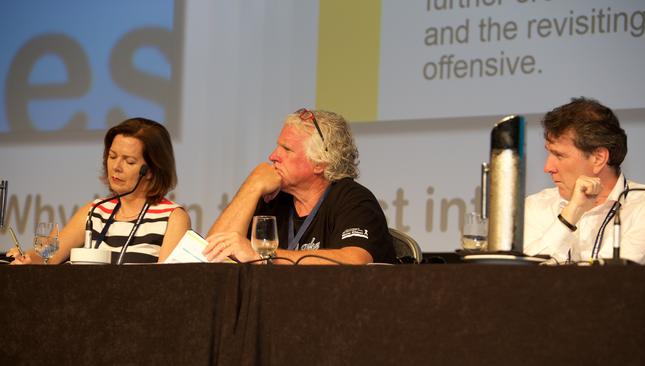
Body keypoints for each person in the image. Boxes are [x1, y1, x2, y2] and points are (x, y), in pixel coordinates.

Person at [203, 108, 395, 264]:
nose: (273, 156)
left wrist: (264, 256)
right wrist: (252, 185)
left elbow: (354, 260)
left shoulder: (353, 200)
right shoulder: (273, 199)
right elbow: (211, 255)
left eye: (286, 149)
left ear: (319, 163)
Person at [9, 118, 191, 264]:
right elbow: (48, 256)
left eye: (129, 161)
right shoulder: (95, 211)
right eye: (112, 156)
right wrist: (27, 258)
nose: (116, 167)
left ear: (151, 170)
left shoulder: (172, 218)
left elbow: (168, 284)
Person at [523, 97, 645, 264]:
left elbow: (615, 280)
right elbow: (523, 276)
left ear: (598, 158)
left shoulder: (644, 208)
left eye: (559, 155)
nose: (547, 167)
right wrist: (571, 212)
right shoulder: (536, 206)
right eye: (549, 153)